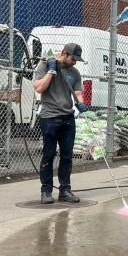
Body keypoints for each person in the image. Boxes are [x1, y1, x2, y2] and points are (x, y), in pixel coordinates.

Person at [32, 43, 89, 204]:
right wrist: (51, 70)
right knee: (48, 155)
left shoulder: (74, 72)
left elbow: (77, 91)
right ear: (63, 53)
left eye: (77, 59)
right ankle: (46, 191)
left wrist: (81, 102)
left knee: (66, 156)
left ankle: (65, 190)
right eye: (73, 58)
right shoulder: (44, 66)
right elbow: (39, 88)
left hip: (67, 118)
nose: (75, 62)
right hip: (50, 118)